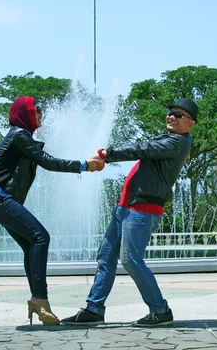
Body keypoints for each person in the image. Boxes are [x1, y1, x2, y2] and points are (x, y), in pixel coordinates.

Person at [61, 98, 198, 328]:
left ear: (191, 123)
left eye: (179, 115)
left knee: (131, 260)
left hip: (142, 210)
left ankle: (160, 310)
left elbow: (142, 149)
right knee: (105, 257)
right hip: (125, 208)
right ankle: (94, 309)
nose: (172, 116)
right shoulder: (167, 138)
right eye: (170, 112)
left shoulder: (178, 142)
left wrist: (107, 153)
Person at [0, 96, 103, 326]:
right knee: (41, 237)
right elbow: (47, 162)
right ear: (25, 113)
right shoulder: (19, 135)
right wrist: (84, 165)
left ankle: (39, 301)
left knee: (31, 244)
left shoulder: (22, 137)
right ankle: (39, 300)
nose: (41, 113)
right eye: (36, 109)